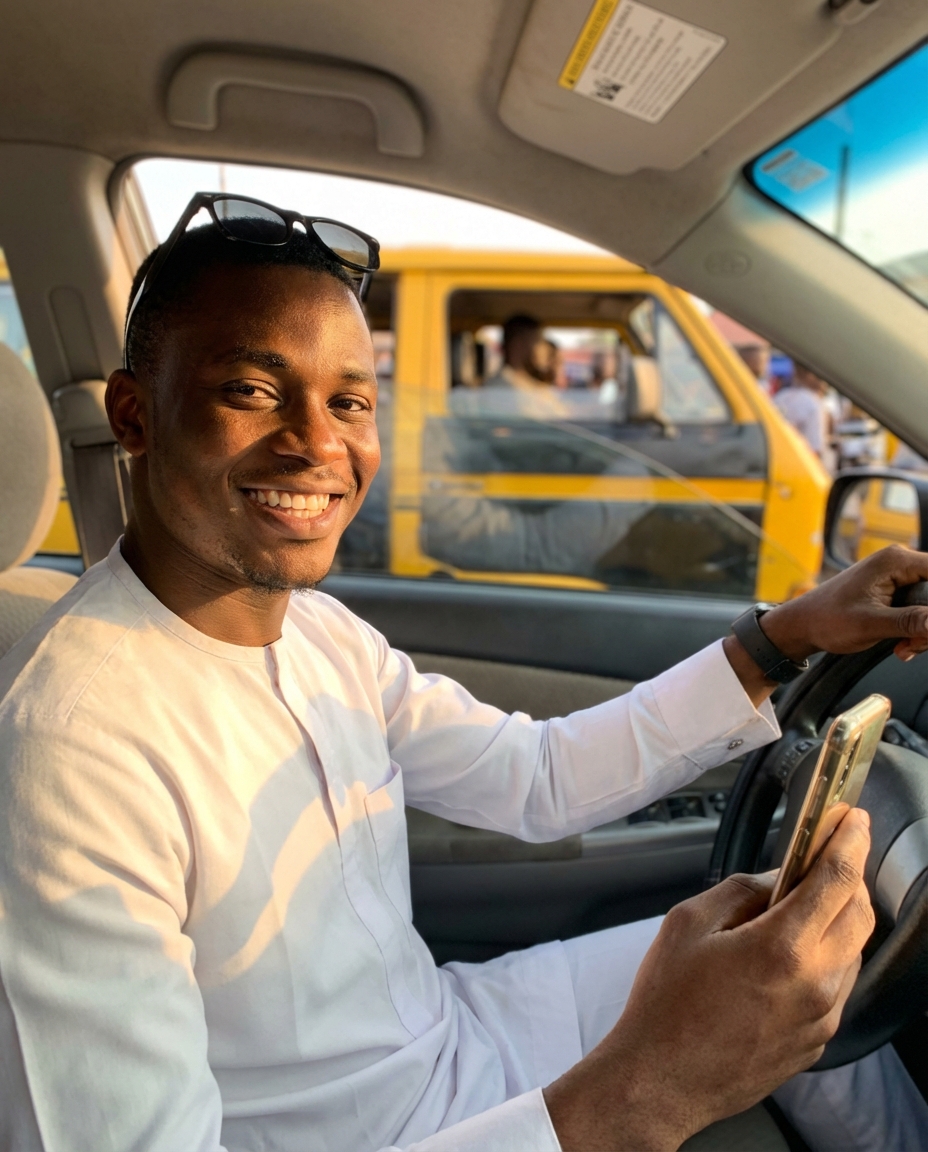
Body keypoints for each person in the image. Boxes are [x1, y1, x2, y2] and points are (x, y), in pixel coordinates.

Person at [0, 197, 926, 1152]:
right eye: (251, 390)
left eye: (349, 402)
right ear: (134, 415)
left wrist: (782, 637)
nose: (318, 443)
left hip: (461, 1032)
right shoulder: (65, 748)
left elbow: (539, 776)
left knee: (808, 960)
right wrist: (644, 1091)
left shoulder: (318, 632)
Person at [774, 363, 831, 464]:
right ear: (808, 375)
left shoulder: (779, 397)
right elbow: (815, 450)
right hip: (802, 466)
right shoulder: (813, 403)